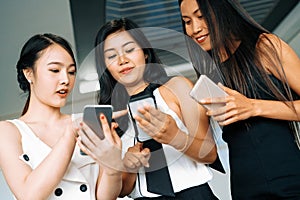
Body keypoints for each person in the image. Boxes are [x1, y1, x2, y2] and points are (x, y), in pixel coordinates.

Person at [178, 0, 300, 199]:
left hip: (288, 179)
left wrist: (253, 107)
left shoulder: (264, 46)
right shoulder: (210, 72)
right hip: (243, 186)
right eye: (187, 21)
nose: (195, 28)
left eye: (201, 16)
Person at [94, 17, 218, 199]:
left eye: (129, 50)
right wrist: (128, 167)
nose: (122, 60)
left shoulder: (178, 88)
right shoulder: (108, 117)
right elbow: (122, 190)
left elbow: (210, 154)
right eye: (112, 56)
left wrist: (174, 136)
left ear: (145, 52)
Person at [0, 33, 122, 199]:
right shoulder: (8, 131)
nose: (65, 79)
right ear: (29, 74)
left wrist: (113, 167)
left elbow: (104, 197)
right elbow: (28, 195)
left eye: (71, 72)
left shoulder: (86, 123)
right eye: (55, 70)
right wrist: (70, 134)